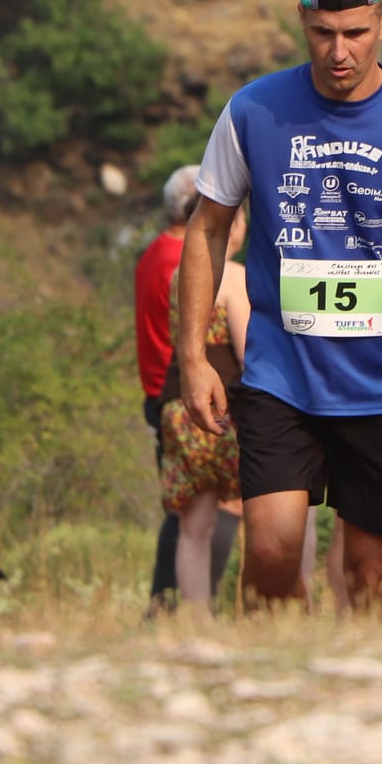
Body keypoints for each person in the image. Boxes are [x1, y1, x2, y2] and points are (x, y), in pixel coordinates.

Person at [175, 0, 382, 612]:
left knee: (371, 576)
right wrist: (191, 356)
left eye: (355, 33)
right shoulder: (253, 111)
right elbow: (206, 230)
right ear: (302, 22)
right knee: (271, 550)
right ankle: (278, 663)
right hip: (281, 376)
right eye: (322, 33)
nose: (338, 51)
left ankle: (355, 676)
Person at [134, 164, 237, 617]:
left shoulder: (152, 255)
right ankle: (185, 603)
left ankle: (174, 606)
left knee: (187, 510)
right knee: (215, 509)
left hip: (164, 389)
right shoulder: (187, 260)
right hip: (189, 387)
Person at [157, 204, 251, 612]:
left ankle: (196, 615)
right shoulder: (233, 276)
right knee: (250, 507)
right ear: (235, 226)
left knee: (193, 524)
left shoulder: (181, 275)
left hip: (179, 403)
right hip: (221, 407)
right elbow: (248, 351)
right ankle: (258, 608)